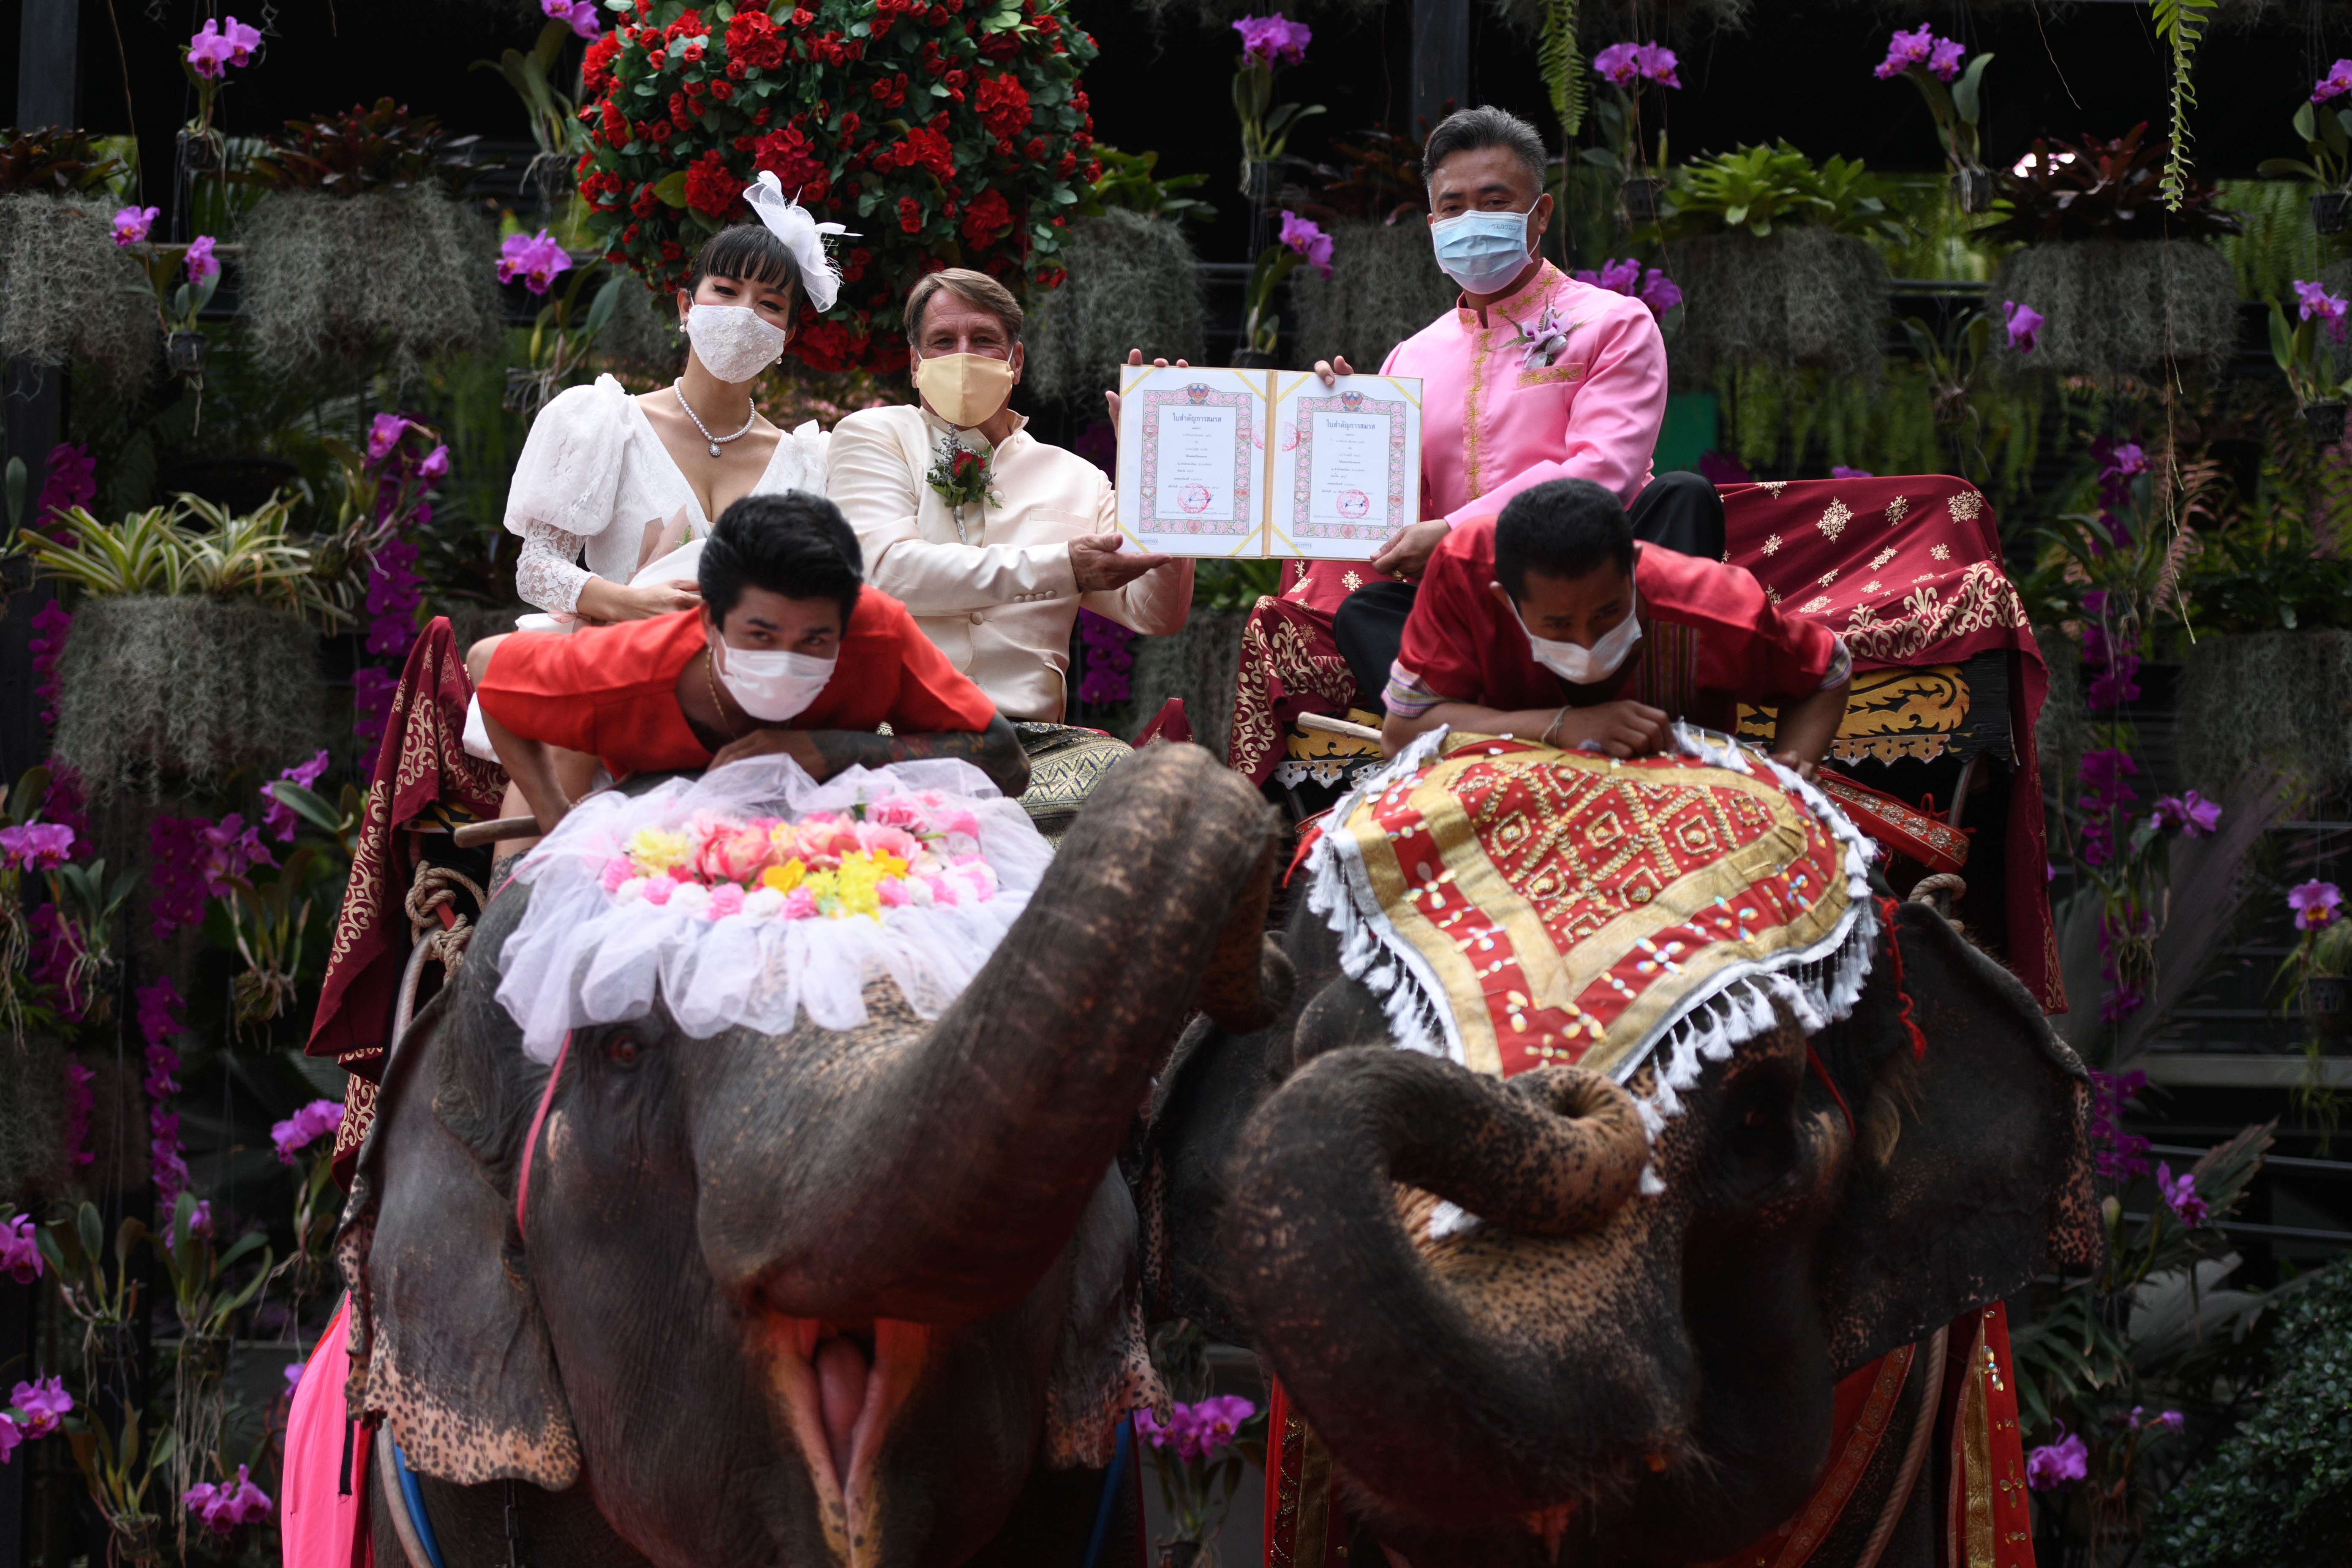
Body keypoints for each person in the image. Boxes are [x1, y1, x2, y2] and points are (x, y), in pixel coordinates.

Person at [1298, 104, 1724, 708]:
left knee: (1682, 497)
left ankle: (1627, 700)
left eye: (1495, 201)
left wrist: (1452, 533)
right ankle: (1508, 723)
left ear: (1539, 214)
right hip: (1477, 608)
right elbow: (1386, 519)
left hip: (1597, 590)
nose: (1471, 220)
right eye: (1453, 206)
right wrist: (1343, 426)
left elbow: (1605, 472)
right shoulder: (1408, 359)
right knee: (1367, 611)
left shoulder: (1612, 323)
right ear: (1432, 223)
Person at [825, 267, 1194, 837]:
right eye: (944, 342)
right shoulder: (876, 436)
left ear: (1016, 361)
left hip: (1034, 751)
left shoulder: (1077, 477)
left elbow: (1155, 612)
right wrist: (1061, 567)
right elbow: (884, 572)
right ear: (916, 363)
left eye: (984, 340)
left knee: (1142, 796)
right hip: (892, 735)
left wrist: (1161, 472)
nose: (964, 355)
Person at [471, 492, 1027, 844]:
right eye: (761, 635)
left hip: (850, 847)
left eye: (815, 639)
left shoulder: (878, 632)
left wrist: (829, 750)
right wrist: (554, 816)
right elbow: (486, 665)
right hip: (667, 852)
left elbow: (1007, 760)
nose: (785, 659)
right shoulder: (627, 668)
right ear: (711, 621)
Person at [506, 172, 847, 627]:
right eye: (725, 291)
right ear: (686, 306)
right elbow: (537, 569)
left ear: (787, 336)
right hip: (616, 668)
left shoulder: (808, 464)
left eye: (770, 304)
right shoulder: (605, 422)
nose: (744, 312)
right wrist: (633, 603)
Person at [1380, 478, 1850, 779]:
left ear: (1636, 567)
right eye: (1558, 625)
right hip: (1505, 790)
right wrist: (1562, 726)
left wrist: (1790, 780)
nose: (1587, 643)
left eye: (1607, 614)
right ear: (1505, 600)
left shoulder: (1717, 606)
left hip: (1685, 810)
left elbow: (1829, 668)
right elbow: (1401, 734)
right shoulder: (1465, 571)